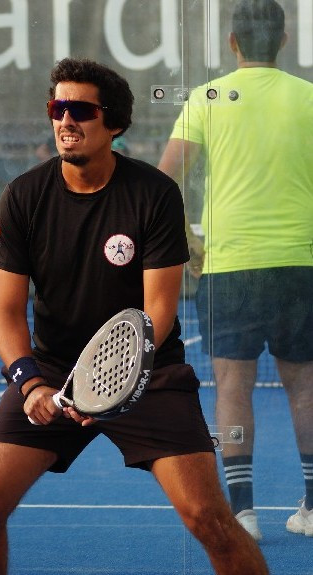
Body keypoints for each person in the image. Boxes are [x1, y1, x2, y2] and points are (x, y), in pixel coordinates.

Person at [0, 57, 269, 575]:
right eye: (57, 108)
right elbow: (4, 310)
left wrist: (108, 382)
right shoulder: (23, 197)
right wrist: (30, 384)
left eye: (81, 110)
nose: (65, 120)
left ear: (115, 123)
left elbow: (158, 308)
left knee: (208, 518)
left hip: (147, 371)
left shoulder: (154, 194)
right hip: (52, 371)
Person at [158, 0, 313, 541]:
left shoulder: (208, 98)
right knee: (306, 388)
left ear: (232, 43)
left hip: (231, 270)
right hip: (300, 266)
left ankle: (243, 514)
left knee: (231, 388)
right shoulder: (309, 98)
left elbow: (164, 182)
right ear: (284, 40)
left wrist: (185, 240)